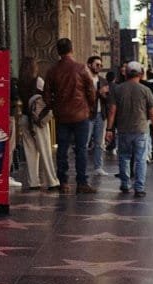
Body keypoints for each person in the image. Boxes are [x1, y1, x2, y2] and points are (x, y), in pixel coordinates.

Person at [43, 38, 97, 194]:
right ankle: (81, 182)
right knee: (81, 149)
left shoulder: (52, 71)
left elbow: (47, 95)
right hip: (81, 114)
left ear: (58, 51)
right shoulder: (81, 68)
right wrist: (90, 106)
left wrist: (55, 105)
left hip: (62, 116)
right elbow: (90, 91)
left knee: (62, 149)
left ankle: (63, 181)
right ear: (71, 49)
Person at [104, 61, 153, 198]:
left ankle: (125, 184)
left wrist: (109, 129)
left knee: (124, 157)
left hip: (123, 129)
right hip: (141, 130)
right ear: (140, 74)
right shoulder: (145, 90)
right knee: (141, 159)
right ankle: (139, 188)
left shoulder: (117, 89)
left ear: (126, 74)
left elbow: (112, 111)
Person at [16, 57, 59, 191]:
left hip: (24, 118)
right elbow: (46, 97)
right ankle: (52, 180)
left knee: (30, 151)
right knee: (45, 149)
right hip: (37, 119)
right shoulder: (38, 81)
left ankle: (33, 181)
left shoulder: (20, 82)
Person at [86, 56, 111, 177]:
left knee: (99, 142)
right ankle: (83, 167)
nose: (99, 67)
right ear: (89, 65)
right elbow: (84, 97)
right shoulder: (85, 79)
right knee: (85, 142)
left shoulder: (103, 80)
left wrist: (105, 94)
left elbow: (107, 98)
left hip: (101, 114)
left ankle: (98, 166)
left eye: (100, 65)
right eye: (97, 65)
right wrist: (98, 92)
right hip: (89, 114)